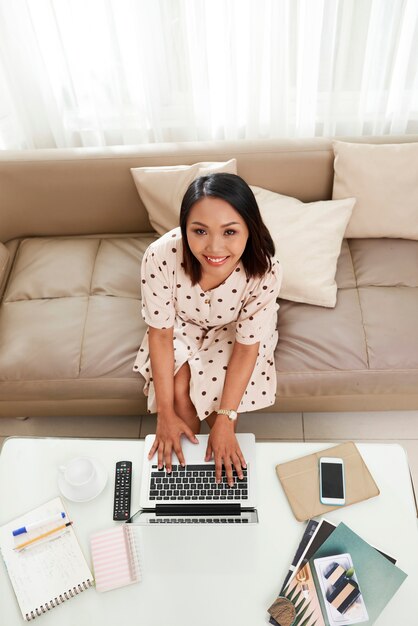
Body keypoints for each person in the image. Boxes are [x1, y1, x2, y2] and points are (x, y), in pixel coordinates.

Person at [133, 173, 282, 487]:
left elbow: (246, 346)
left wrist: (226, 420)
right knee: (175, 395)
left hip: (237, 332)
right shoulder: (160, 256)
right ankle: (181, 476)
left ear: (249, 229)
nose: (214, 247)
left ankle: (216, 462)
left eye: (230, 231)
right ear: (185, 228)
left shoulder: (265, 270)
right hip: (181, 324)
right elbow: (160, 334)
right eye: (199, 231)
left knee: (221, 413)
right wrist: (164, 415)